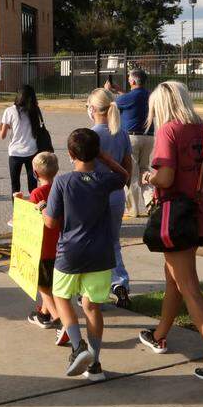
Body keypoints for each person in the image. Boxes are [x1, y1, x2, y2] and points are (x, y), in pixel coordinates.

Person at [139, 81, 203, 380]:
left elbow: (166, 177)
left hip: (175, 220)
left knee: (189, 287)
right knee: (175, 279)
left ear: (162, 107)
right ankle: (159, 334)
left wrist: (148, 178)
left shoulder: (169, 131)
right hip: (200, 217)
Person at [42, 128, 129, 381]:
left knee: (61, 296)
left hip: (70, 252)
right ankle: (95, 364)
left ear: (70, 154)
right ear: (97, 153)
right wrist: (104, 158)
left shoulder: (62, 182)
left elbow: (50, 222)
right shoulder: (104, 180)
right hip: (101, 254)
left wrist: (44, 211)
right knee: (92, 306)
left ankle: (78, 347)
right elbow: (123, 176)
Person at [87, 88, 133, 308]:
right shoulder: (121, 133)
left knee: (93, 242)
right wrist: (123, 184)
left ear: (94, 109)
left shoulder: (92, 135)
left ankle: (95, 289)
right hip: (116, 194)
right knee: (113, 241)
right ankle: (120, 282)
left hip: (96, 195)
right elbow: (128, 162)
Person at [19, 151, 62, 330]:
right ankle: (43, 314)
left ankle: (58, 317)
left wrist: (19, 201)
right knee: (50, 282)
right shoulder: (60, 189)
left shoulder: (37, 193)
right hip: (59, 245)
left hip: (42, 246)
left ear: (35, 173)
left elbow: (28, 219)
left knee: (43, 287)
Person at [118, 69, 154, 217]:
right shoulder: (150, 95)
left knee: (131, 173)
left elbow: (115, 103)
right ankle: (150, 200)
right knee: (144, 169)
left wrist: (109, 91)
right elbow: (129, 99)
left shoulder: (128, 97)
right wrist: (121, 91)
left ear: (133, 81)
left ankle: (133, 209)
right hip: (149, 136)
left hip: (132, 138)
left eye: (129, 79)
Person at [0, 85, 48, 194]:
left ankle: (16, 209)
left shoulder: (9, 111)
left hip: (15, 153)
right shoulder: (35, 110)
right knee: (33, 186)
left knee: (15, 186)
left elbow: (2, 136)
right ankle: (34, 207)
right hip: (32, 152)